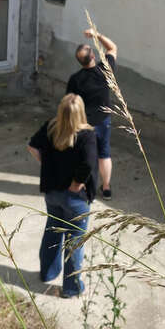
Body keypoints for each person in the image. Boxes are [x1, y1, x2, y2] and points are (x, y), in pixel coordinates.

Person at [28, 93, 98, 298]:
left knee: (52, 231)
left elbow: (31, 146)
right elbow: (88, 164)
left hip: (52, 193)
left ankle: (47, 273)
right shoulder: (86, 136)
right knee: (74, 241)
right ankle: (71, 287)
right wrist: (77, 183)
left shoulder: (51, 127)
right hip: (75, 198)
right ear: (81, 112)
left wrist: (47, 165)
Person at [66, 29, 118, 199]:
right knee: (104, 154)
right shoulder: (105, 70)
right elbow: (112, 48)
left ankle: (82, 186)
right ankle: (106, 188)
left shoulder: (75, 79)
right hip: (103, 120)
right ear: (94, 56)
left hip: (84, 124)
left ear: (79, 61)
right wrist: (97, 35)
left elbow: (70, 103)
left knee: (85, 155)